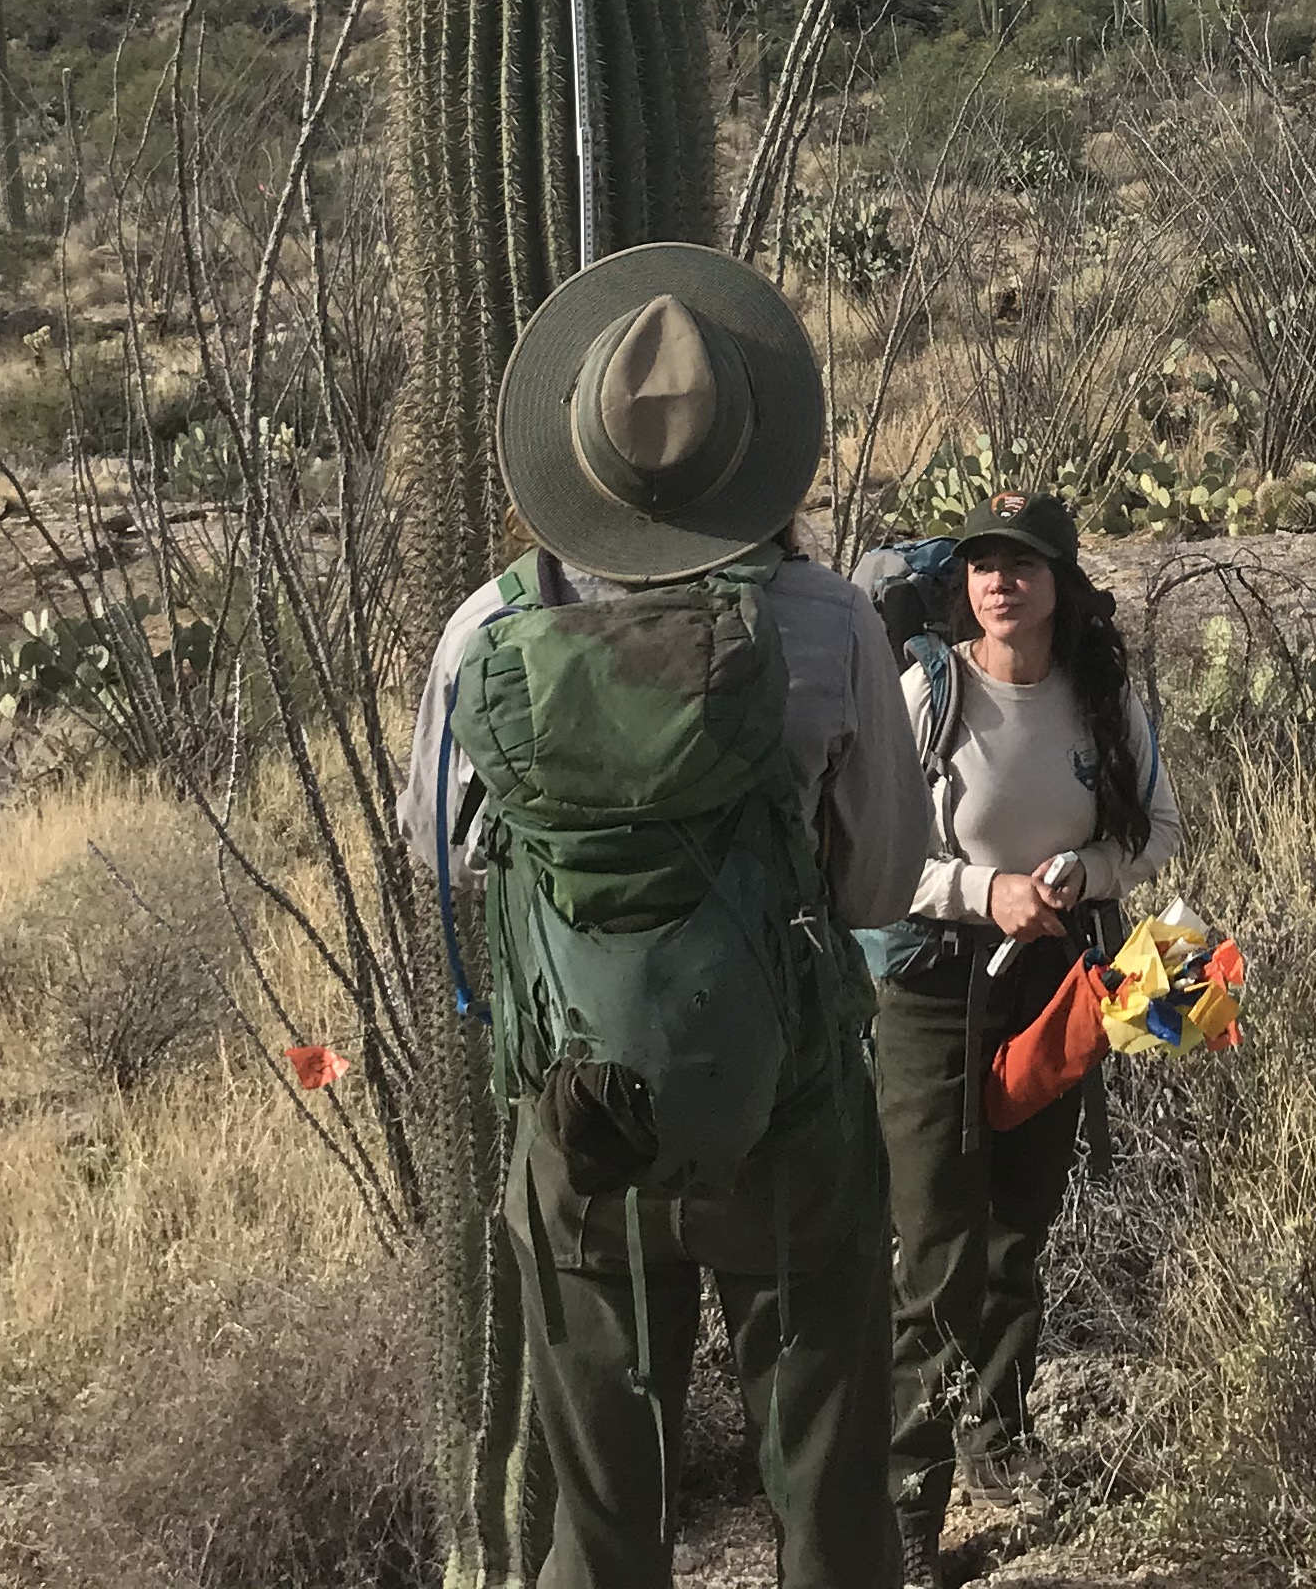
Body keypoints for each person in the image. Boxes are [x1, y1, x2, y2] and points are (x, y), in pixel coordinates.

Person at [398, 245, 931, 1589]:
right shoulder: (827, 624)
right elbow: (878, 887)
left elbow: (445, 857)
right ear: (751, 455)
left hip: (582, 1125)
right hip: (789, 1123)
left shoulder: (487, 631)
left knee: (601, 1518)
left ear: (579, 457)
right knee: (828, 1497)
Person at [872, 490, 1179, 1583]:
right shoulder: (928, 692)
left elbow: (1158, 830)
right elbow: (869, 856)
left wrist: (1086, 875)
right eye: (984, 563)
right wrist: (979, 890)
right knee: (938, 1254)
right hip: (936, 996)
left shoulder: (1100, 702)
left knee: (1017, 1231)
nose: (1002, 579)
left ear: (1062, 584)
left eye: (1024, 563)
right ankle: (909, 1510)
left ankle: (999, 1444)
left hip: (1062, 987)